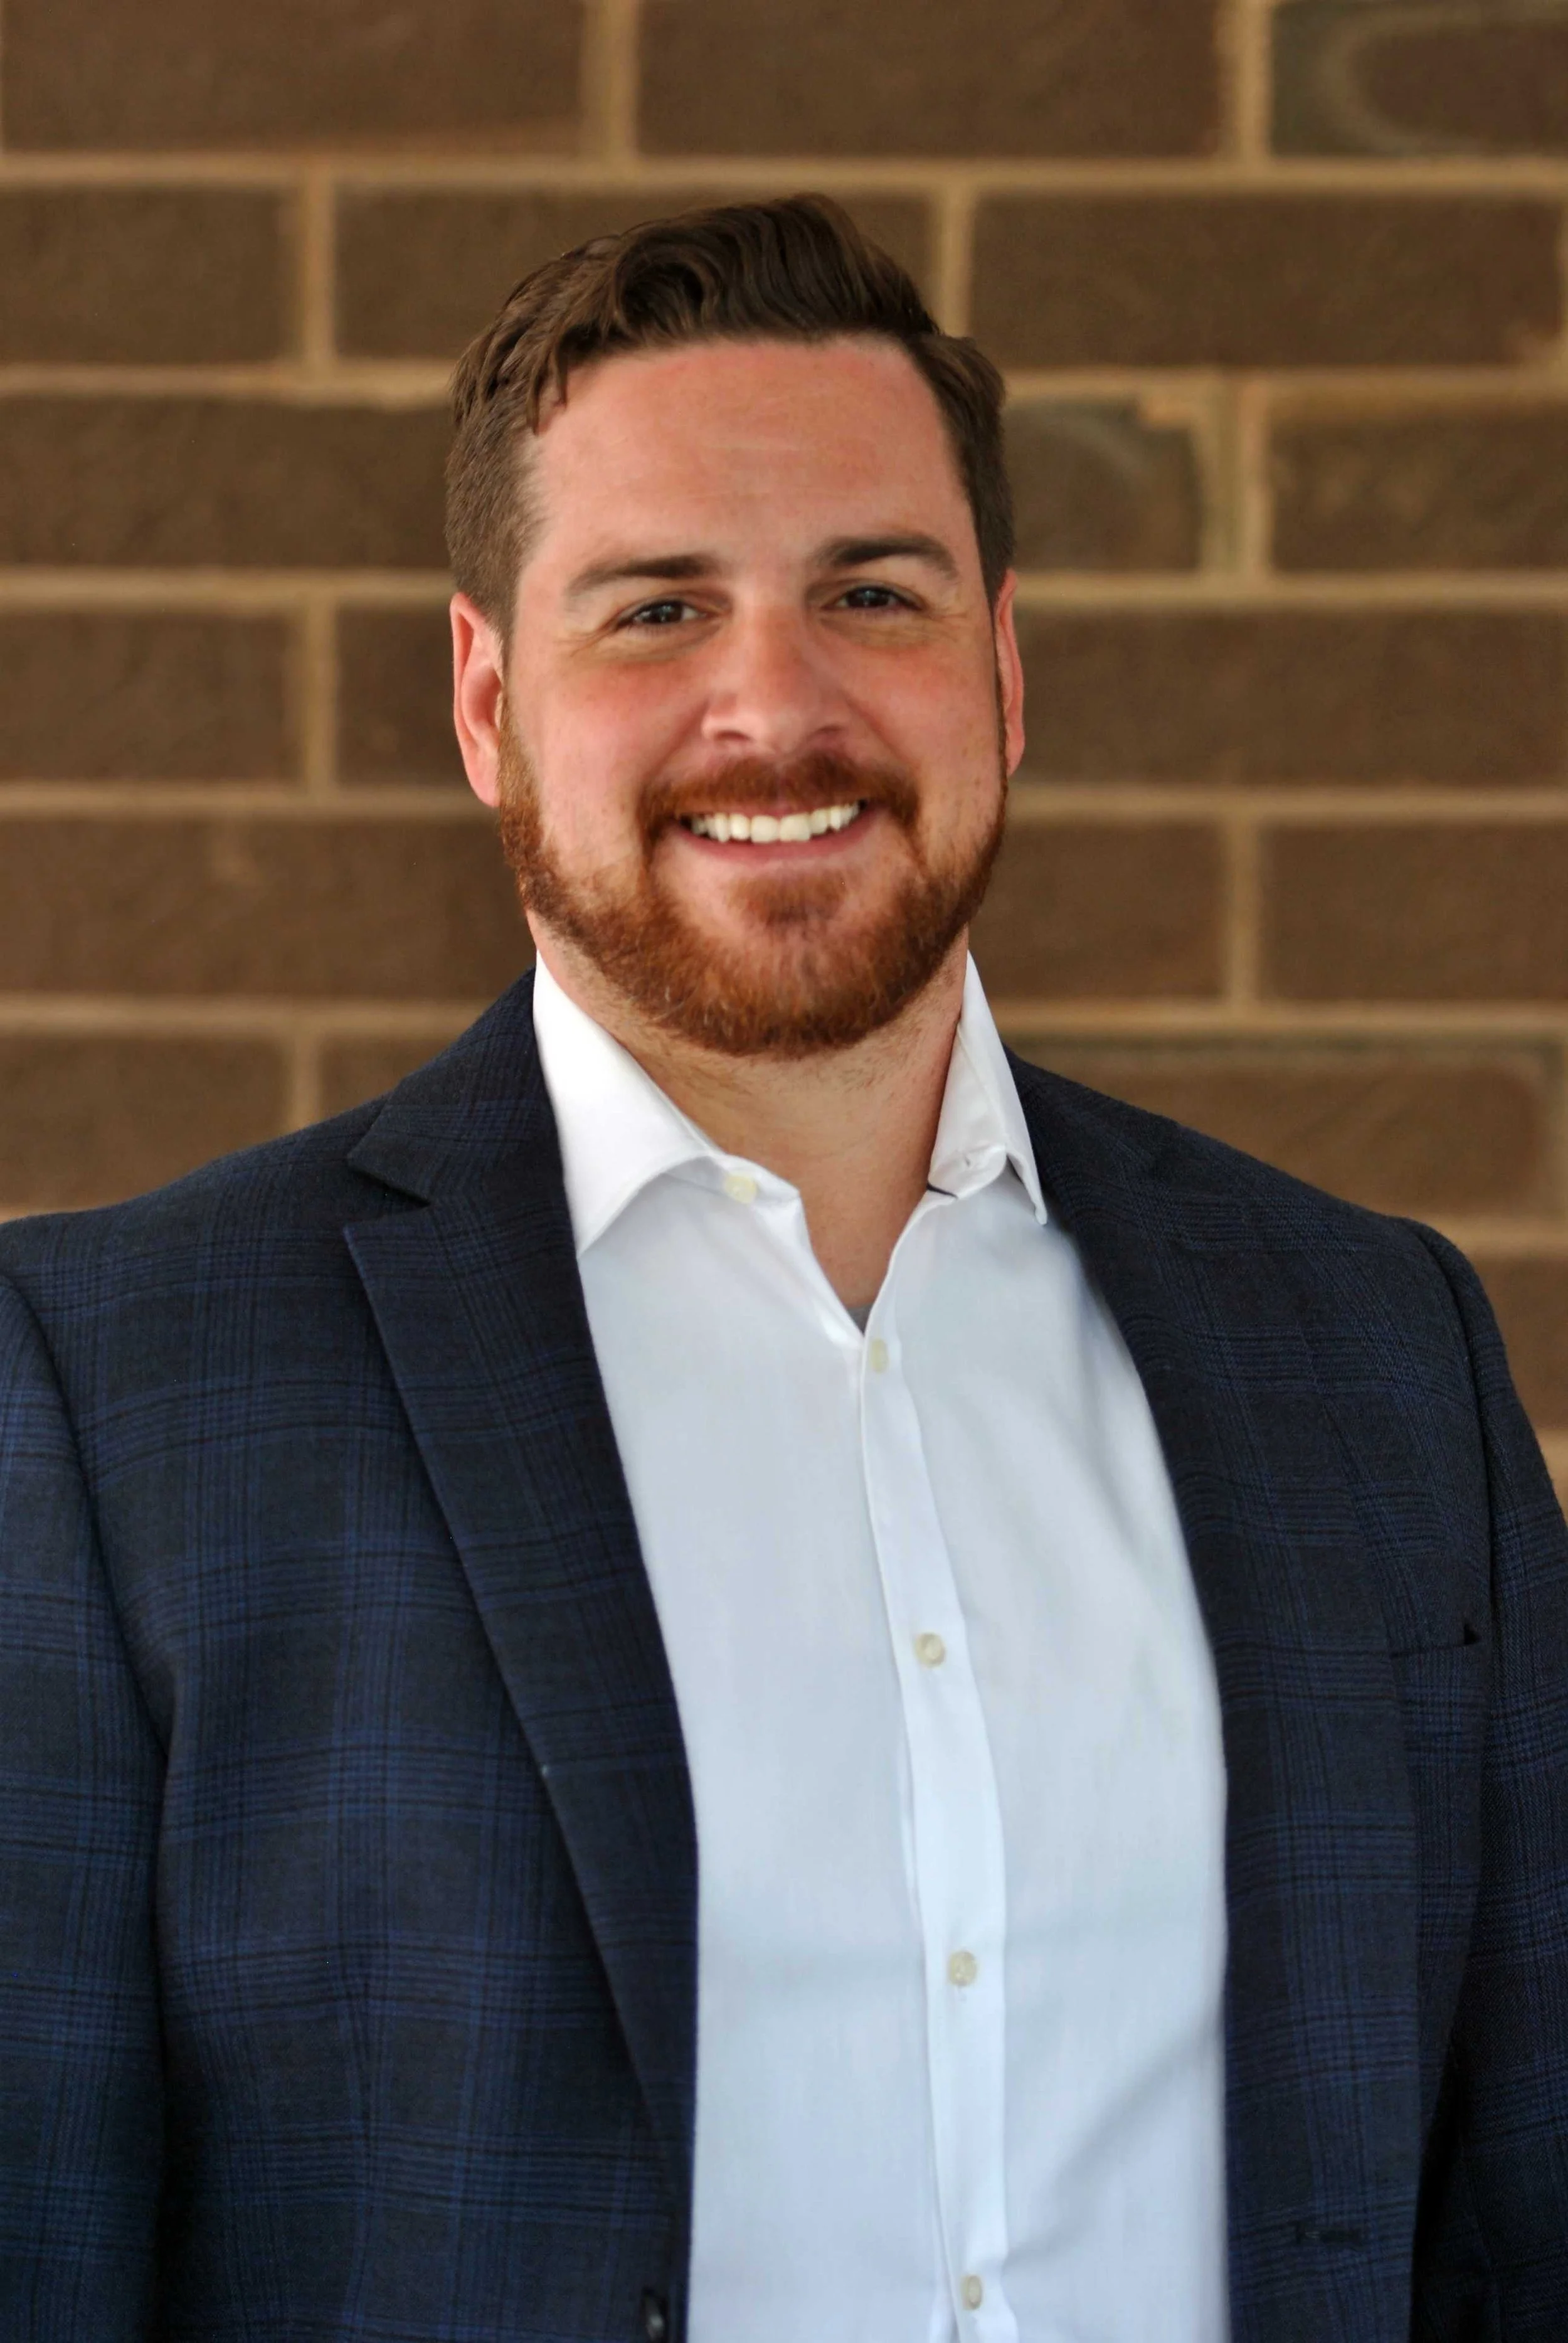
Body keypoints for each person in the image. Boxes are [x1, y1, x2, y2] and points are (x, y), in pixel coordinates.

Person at [0, 196, 1564, 2343]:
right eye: (657, 608)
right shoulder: (122, 1392)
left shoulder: (1374, 1349)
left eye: (869, 593)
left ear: (1000, 669)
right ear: (485, 701)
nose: (775, 706)